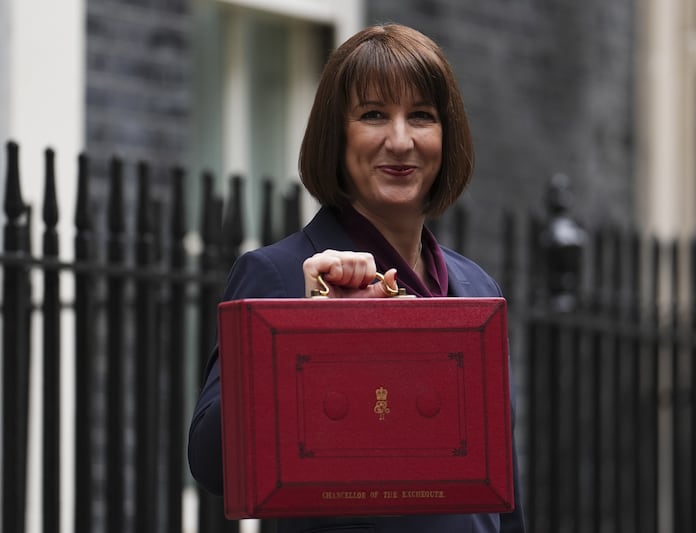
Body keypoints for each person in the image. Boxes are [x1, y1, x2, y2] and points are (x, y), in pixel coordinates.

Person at [188, 23, 527, 533]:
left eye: (421, 117)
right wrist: (311, 329)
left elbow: (503, 496)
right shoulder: (278, 274)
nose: (400, 139)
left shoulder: (477, 287)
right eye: (373, 114)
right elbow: (213, 465)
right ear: (336, 135)